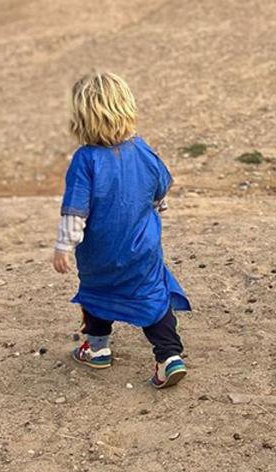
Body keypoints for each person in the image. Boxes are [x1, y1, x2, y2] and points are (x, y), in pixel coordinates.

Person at [52, 72, 191, 389]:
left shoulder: (85, 160)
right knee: (152, 297)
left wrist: (63, 246)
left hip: (99, 255)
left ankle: (98, 348)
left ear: (81, 119)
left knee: (97, 294)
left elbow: (76, 211)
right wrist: (158, 204)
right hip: (142, 251)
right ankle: (169, 357)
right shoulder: (142, 150)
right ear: (127, 108)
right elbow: (161, 187)